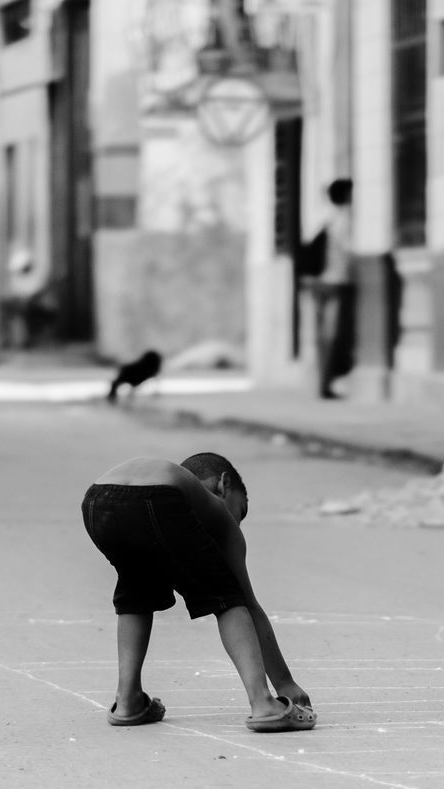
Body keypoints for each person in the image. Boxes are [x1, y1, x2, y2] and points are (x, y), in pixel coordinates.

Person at [80, 451, 317, 732]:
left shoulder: (174, 481)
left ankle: (128, 699)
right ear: (223, 485)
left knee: (136, 591)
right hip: (159, 500)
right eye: (238, 511)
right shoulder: (209, 508)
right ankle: (263, 702)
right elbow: (248, 606)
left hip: (97, 502)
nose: (236, 524)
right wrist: (285, 682)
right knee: (228, 597)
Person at [302, 177, 356, 399]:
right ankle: (326, 384)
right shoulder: (344, 220)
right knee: (333, 337)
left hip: (319, 283)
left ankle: (324, 384)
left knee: (324, 337)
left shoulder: (322, 217)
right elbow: (350, 250)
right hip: (337, 282)